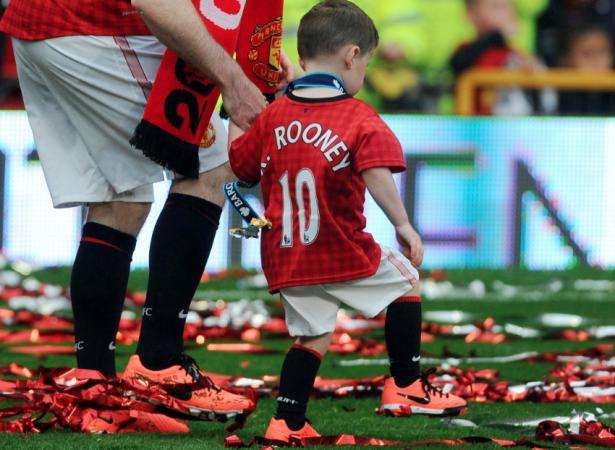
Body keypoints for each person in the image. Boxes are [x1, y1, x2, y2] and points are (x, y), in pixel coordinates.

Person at [0, 0, 288, 420]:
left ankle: (94, 385)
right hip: (88, 25)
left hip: (47, 25)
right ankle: (159, 361)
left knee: (121, 198)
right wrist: (232, 77)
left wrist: (252, 58)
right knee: (209, 165)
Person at [228, 0, 467, 443]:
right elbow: (377, 173)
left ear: (302, 58)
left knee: (313, 337)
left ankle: (287, 422)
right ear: (353, 56)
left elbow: (240, 168)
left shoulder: (272, 116)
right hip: (341, 248)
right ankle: (407, 385)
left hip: (287, 257)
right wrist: (404, 225)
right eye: (367, 63)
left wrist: (238, 110)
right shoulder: (358, 116)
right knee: (407, 281)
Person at [450, 0, 545, 115]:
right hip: (475, 125)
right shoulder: (466, 50)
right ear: (471, 14)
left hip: (511, 125)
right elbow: (459, 64)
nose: (505, 13)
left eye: (508, 7)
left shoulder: (517, 55)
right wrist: (499, 35)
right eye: (496, 7)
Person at [558, 23, 615, 115]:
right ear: (568, 58)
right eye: (587, 53)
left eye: (601, 52)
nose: (595, 60)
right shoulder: (553, 94)